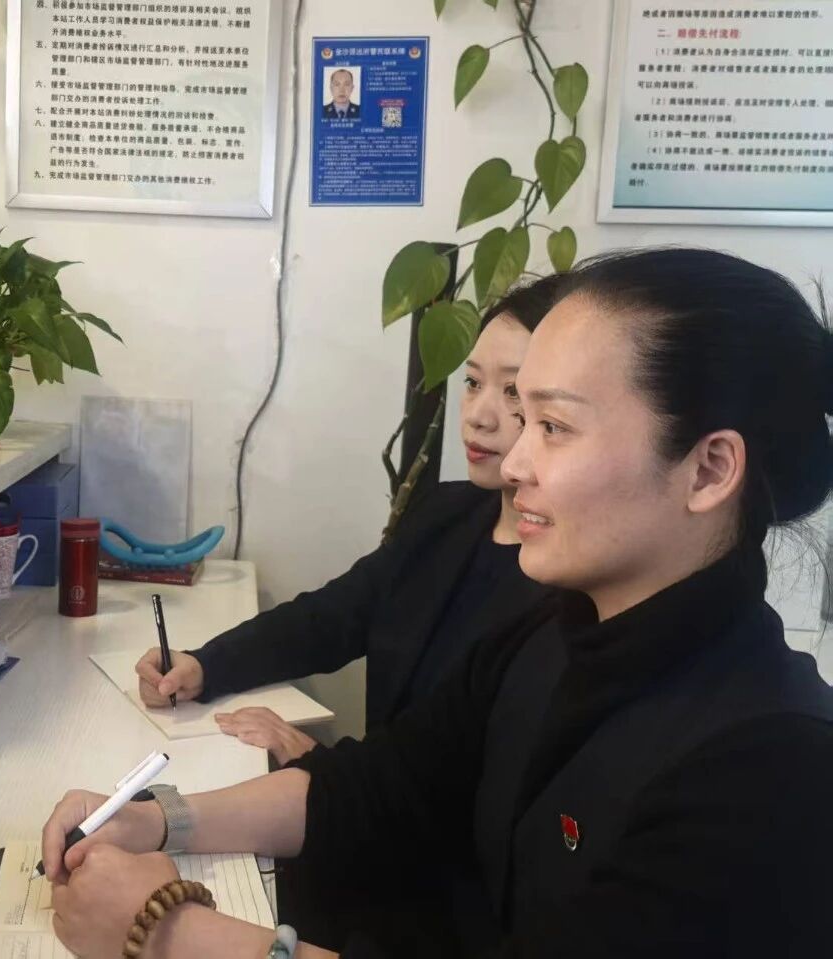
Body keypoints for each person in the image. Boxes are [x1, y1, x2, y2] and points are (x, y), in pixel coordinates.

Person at [41, 247, 833, 958]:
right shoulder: (551, 635)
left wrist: (168, 931)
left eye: (554, 425)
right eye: (518, 413)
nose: (514, 461)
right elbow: (379, 786)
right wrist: (155, 817)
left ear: (708, 469)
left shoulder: (772, 772)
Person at [135, 276, 565, 767]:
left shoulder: (566, 579)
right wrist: (205, 666)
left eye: (513, 392)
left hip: (389, 808)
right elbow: (334, 616)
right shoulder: (447, 512)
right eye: (472, 382)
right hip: (364, 796)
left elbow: (481, 777)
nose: (478, 416)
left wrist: (318, 761)